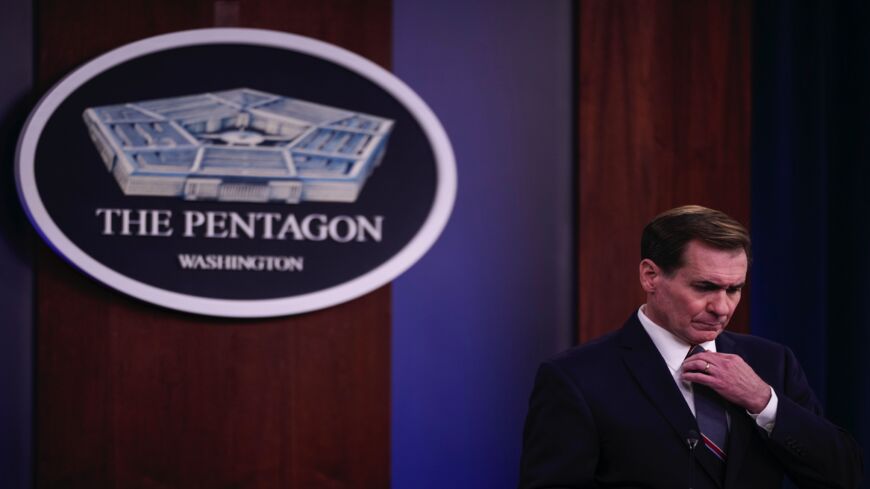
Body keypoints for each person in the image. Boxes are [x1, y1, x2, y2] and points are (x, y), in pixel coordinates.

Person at [518, 205, 862, 489]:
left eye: (734, 289)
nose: (722, 307)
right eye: (704, 287)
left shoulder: (772, 362)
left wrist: (764, 402)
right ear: (650, 276)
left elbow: (843, 476)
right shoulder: (577, 378)